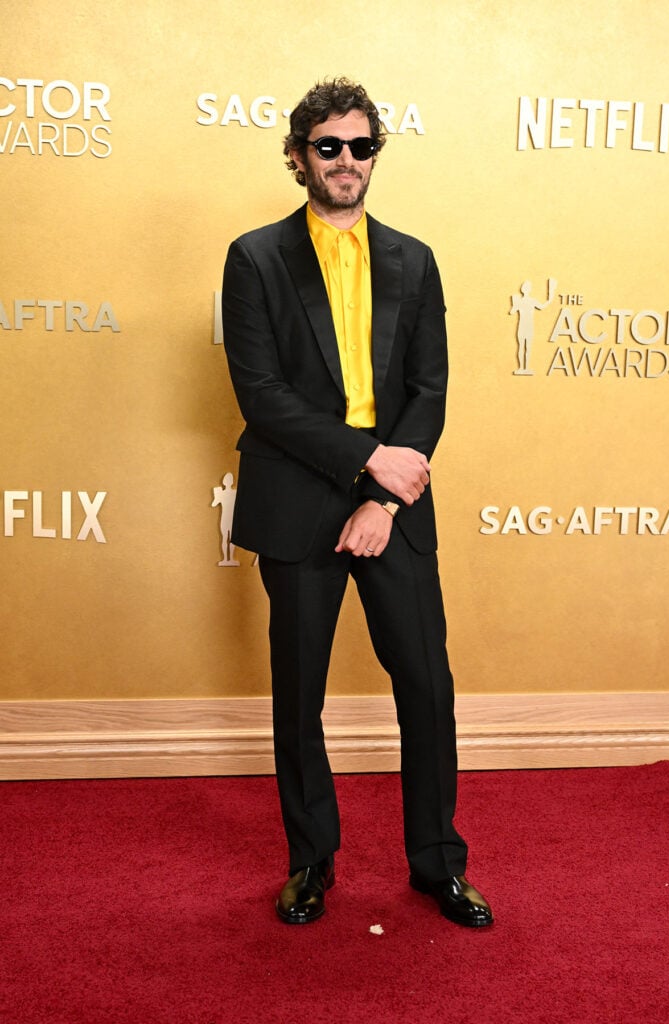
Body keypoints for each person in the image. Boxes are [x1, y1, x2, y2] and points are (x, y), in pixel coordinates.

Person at [221, 77, 492, 929]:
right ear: (298, 156)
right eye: (328, 146)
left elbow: (428, 389)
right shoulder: (254, 257)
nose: (346, 160)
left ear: (375, 154)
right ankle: (310, 862)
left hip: (393, 505)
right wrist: (369, 459)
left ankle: (437, 864)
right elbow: (262, 396)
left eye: (360, 145)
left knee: (427, 685)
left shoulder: (415, 258)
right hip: (297, 499)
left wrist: (381, 497)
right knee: (298, 693)